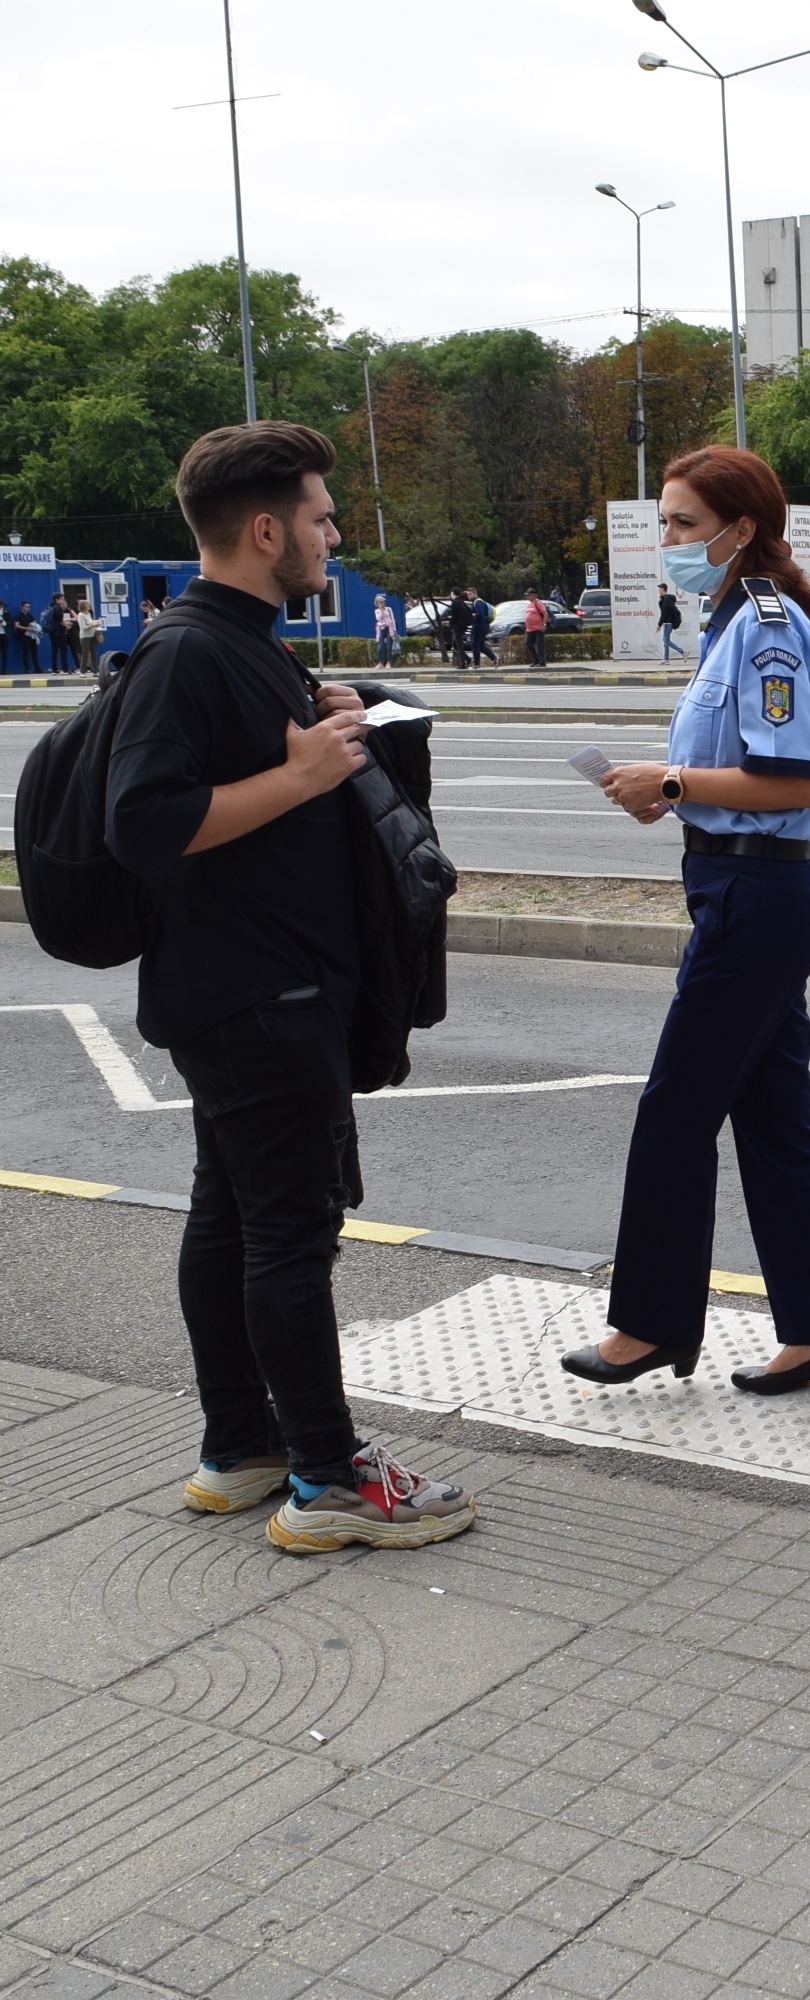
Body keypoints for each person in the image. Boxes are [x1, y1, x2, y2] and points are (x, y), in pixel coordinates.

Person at [103, 420, 476, 1553]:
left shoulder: (238, 640)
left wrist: (326, 731)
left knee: (232, 1216)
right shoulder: (191, 650)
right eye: (319, 517)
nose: (331, 533)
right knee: (289, 1231)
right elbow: (147, 824)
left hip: (253, 985)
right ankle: (326, 1476)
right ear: (263, 529)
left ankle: (240, 1447)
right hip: (259, 994)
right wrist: (304, 770)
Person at [565, 445, 810, 1398]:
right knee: (777, 1120)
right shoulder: (732, 622)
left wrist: (677, 780)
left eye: (684, 524)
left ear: (741, 530)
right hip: (740, 887)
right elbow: (737, 777)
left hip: (757, 899)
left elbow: (792, 780)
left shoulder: (767, 627)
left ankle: (649, 1326)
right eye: (663, 522)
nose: (667, 542)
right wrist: (671, 794)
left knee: (674, 1112)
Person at [656, 580, 685, 660]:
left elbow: (664, 614)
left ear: (663, 589)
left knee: (666, 641)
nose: (658, 591)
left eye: (659, 589)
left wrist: (659, 625)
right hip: (667, 623)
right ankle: (666, 659)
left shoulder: (666, 599)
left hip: (668, 623)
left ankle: (682, 652)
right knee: (665, 641)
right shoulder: (665, 599)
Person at [466, 587, 495, 666]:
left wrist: (472, 615)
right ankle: (494, 658)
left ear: (475, 594)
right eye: (468, 594)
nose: (468, 596)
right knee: (481, 645)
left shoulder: (477, 602)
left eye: (470, 594)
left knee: (474, 644)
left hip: (479, 625)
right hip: (484, 625)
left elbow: (480, 614)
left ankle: (476, 664)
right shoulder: (480, 601)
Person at [446, 588, 472, 670]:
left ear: (453, 593)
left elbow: (454, 617)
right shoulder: (461, 601)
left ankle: (462, 664)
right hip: (463, 626)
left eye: (451, 593)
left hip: (458, 627)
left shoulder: (455, 603)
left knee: (459, 645)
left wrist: (449, 623)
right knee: (455, 645)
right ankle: (467, 659)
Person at [523, 588, 549, 668]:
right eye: (527, 595)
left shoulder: (538, 603)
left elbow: (545, 613)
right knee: (529, 644)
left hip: (538, 628)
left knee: (540, 645)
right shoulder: (529, 604)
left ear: (534, 595)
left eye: (529, 595)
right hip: (530, 629)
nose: (527, 597)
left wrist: (543, 624)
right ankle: (536, 660)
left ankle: (542, 662)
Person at [372, 592, 398, 667]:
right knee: (380, 647)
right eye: (380, 602)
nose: (383, 604)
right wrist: (381, 611)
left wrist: (394, 630)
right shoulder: (377, 611)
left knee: (389, 647)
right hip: (381, 628)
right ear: (377, 603)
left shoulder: (389, 609)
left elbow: (392, 619)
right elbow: (378, 619)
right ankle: (380, 663)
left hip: (389, 628)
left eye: (383, 602)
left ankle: (389, 662)